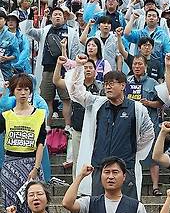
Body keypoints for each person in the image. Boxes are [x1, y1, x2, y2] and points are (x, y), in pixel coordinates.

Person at [65, 54, 155, 199]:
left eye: (112, 83)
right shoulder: (97, 103)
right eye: (106, 83)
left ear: (123, 86)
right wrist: (79, 67)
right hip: (100, 168)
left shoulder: (137, 108)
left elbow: (149, 133)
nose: (108, 86)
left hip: (126, 168)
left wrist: (133, 151)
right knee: (99, 211)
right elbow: (75, 92)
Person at [0, 74, 47, 213]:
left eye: (26, 89)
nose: (22, 92)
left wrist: (36, 167)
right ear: (13, 91)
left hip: (31, 165)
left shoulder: (39, 114)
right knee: (11, 207)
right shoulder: (6, 115)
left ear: (30, 91)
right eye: (19, 89)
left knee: (36, 207)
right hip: (10, 165)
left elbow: (41, 143)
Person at [21, 6, 81, 124]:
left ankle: (68, 126)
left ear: (64, 17)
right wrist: (30, 16)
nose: (57, 16)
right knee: (46, 99)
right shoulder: (45, 30)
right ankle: (47, 126)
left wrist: (73, 68)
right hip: (47, 69)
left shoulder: (71, 32)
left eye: (60, 14)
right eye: (55, 14)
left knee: (66, 99)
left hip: (65, 71)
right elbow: (28, 31)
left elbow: (75, 52)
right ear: (51, 17)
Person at [126, 55, 164, 195]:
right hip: (130, 124)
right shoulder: (127, 82)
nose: (137, 66)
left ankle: (155, 186)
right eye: (135, 64)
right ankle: (131, 185)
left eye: (140, 64)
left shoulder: (153, 83)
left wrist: (148, 103)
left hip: (150, 124)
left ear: (145, 66)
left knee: (154, 156)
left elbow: (161, 102)